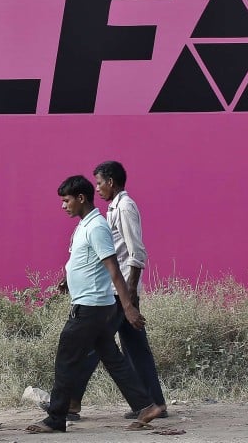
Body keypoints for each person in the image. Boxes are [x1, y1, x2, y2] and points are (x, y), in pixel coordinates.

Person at [26, 175, 166, 434]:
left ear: (81, 198)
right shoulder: (84, 225)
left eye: (66, 200)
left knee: (66, 358)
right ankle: (146, 405)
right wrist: (67, 278)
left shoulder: (97, 227)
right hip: (94, 304)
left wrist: (128, 306)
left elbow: (113, 269)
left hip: (90, 306)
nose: (63, 206)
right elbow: (84, 260)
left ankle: (56, 417)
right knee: (112, 358)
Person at [67, 161, 168, 420]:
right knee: (135, 347)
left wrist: (130, 295)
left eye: (99, 183)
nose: (97, 188)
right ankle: (154, 402)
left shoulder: (124, 206)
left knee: (93, 344)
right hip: (117, 290)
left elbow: (136, 251)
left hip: (118, 292)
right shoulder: (113, 208)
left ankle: (71, 401)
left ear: (111, 182)